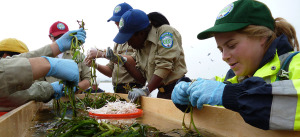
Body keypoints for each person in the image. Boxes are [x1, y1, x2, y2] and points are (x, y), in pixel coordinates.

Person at [171, 0, 300, 131]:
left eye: (231, 46)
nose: (224, 57)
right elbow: (211, 89)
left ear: (262, 36)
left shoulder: (295, 64)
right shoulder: (233, 80)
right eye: (221, 50)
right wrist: (185, 91)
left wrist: (232, 95)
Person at [110, 9, 187, 101]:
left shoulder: (165, 32)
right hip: (162, 94)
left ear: (141, 33)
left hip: (179, 92)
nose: (129, 44)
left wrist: (146, 90)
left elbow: (164, 66)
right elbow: (142, 79)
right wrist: (122, 61)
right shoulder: (140, 47)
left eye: (129, 39)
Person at [0, 29, 86, 111]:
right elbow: (17, 94)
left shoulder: (79, 56)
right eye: (57, 37)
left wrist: (56, 47)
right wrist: (51, 88)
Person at [85, 2, 144, 94]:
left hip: (133, 88)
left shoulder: (137, 38)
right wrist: (95, 65)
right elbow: (110, 71)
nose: (116, 24)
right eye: (116, 22)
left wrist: (102, 54)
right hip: (118, 89)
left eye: (118, 21)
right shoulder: (118, 42)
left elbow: (135, 60)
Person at [46, 21, 91, 94]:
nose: (61, 40)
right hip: (52, 102)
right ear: (50, 37)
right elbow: (37, 82)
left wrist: (75, 88)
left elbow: (88, 79)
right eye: (57, 37)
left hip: (75, 101)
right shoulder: (45, 57)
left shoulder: (79, 56)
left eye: (63, 37)